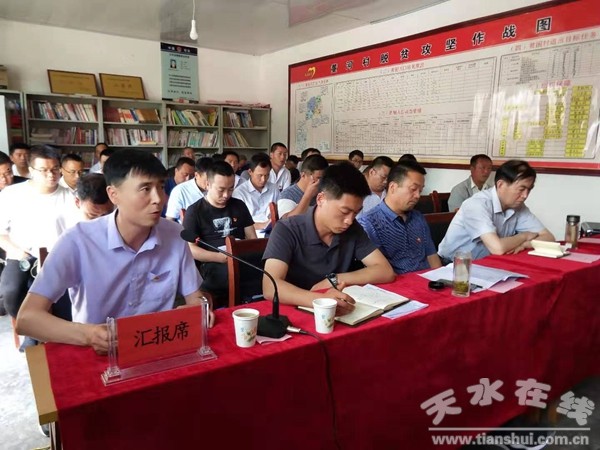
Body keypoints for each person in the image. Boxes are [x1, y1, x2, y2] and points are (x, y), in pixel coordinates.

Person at [16, 148, 214, 355]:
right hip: (98, 354)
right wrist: (89, 335)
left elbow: (195, 297)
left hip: (157, 347)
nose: (159, 198)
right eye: (145, 189)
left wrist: (199, 307)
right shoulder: (78, 241)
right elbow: (27, 319)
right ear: (114, 194)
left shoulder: (174, 234)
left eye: (161, 186)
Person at [262, 162, 395, 314]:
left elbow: (385, 271)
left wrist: (334, 279)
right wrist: (322, 301)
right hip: (296, 310)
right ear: (321, 199)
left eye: (356, 212)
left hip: (338, 308)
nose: (349, 220)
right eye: (344, 211)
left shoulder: (352, 228)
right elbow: (270, 286)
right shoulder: (287, 229)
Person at [0, 145, 78, 320]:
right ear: (31, 170)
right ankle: (30, 327)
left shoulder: (71, 197)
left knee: (67, 299)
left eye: (55, 169)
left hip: (58, 257)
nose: (51, 175)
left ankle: (57, 329)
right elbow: (1, 233)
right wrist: (17, 252)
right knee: (10, 292)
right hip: (22, 256)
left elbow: (76, 234)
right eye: (44, 170)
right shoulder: (11, 194)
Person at [438, 159, 555, 261]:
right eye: (521, 189)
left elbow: (549, 238)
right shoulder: (477, 204)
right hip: (452, 265)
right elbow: (497, 248)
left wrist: (525, 244)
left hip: (488, 263)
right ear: (501, 185)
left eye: (529, 189)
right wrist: (524, 236)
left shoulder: (518, 206)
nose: (525, 195)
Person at [183, 161, 256, 308]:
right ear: (208, 185)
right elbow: (190, 248)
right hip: (213, 262)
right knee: (228, 275)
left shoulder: (239, 205)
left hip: (241, 257)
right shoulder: (195, 211)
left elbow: (252, 238)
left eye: (230, 189)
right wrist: (220, 258)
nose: (226, 195)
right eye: (221, 190)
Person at [358, 161, 441, 274]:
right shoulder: (369, 223)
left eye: (420, 191)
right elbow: (380, 271)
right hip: (396, 282)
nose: (418, 196)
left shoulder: (418, 218)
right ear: (393, 187)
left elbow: (432, 257)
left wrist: (439, 279)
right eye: (413, 189)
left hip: (428, 280)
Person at [232, 153, 280, 234]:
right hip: (250, 234)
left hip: (273, 231)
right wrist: (264, 225)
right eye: (260, 175)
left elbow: (279, 211)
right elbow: (239, 223)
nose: (263, 179)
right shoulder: (239, 193)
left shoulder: (274, 188)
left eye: (267, 175)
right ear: (250, 172)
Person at [277, 154, 328, 218]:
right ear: (303, 175)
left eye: (324, 178)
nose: (321, 182)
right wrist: (307, 196)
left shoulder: (323, 192)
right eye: (318, 178)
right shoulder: (288, 194)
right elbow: (287, 221)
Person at [166, 157, 213, 222]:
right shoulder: (179, 191)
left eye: (212, 180)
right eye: (206, 180)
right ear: (196, 175)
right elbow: (170, 220)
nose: (209, 184)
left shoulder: (217, 188)